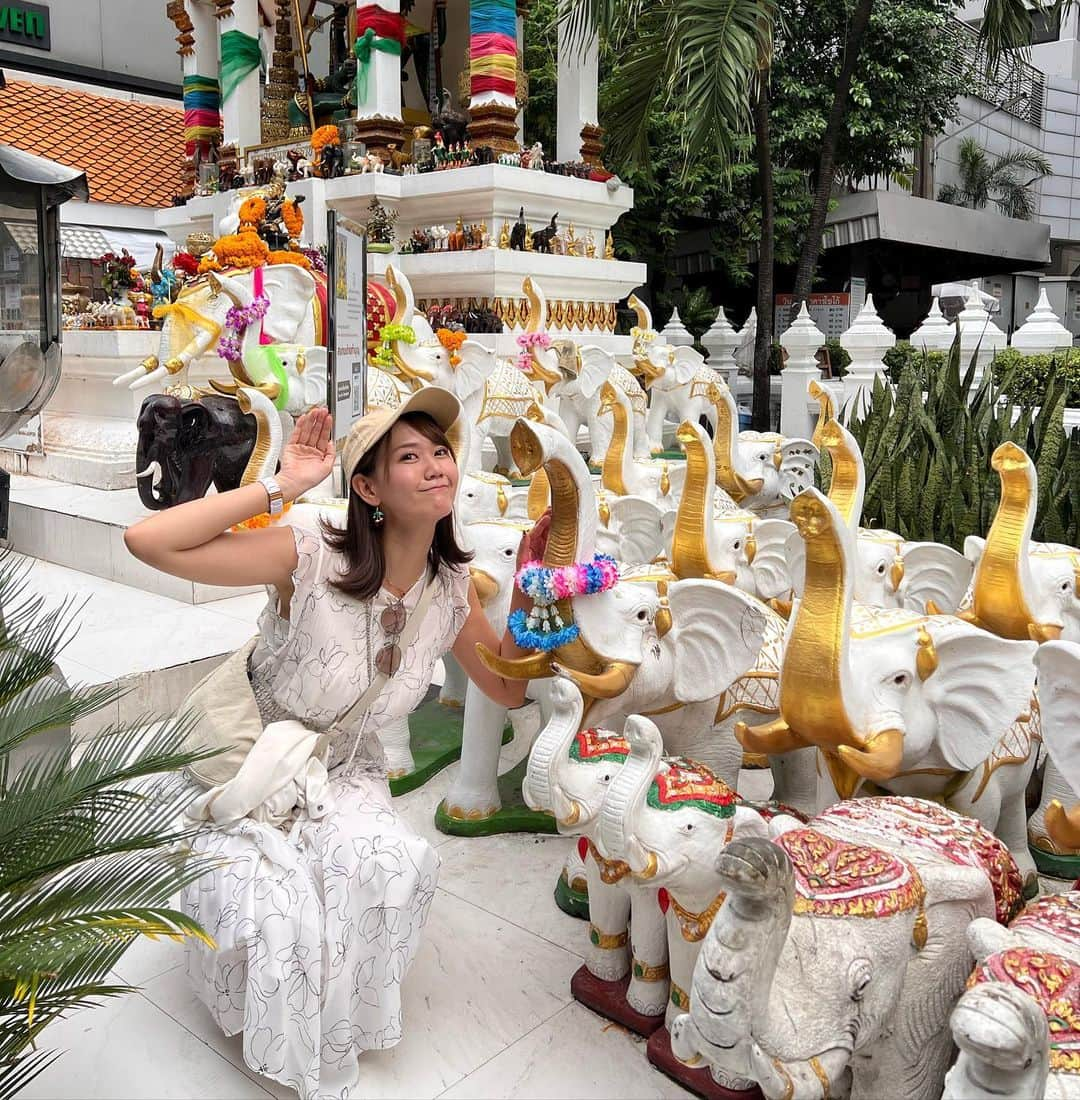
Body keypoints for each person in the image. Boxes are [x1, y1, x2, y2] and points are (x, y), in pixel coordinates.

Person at [124, 387, 549, 1099]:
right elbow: (150, 541)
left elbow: (505, 690)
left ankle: (336, 1025)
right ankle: (275, 1033)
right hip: (251, 756)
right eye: (409, 456)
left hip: (344, 766)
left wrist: (540, 595)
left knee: (390, 863)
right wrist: (279, 486)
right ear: (368, 487)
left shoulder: (451, 588)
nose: (435, 464)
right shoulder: (312, 552)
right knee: (276, 909)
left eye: (440, 451)